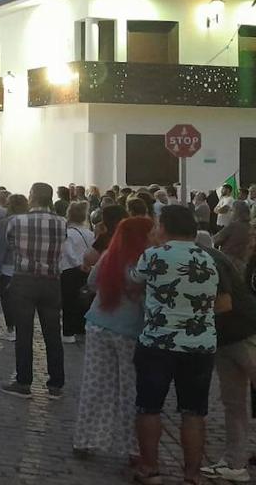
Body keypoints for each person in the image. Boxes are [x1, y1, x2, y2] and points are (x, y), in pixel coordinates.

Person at [131, 205, 222, 485]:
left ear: (165, 227)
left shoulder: (155, 255)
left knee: (149, 407)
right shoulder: (208, 258)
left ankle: (150, 468)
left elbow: (134, 284)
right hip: (200, 345)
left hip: (158, 341)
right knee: (194, 412)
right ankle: (192, 474)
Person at [71, 216, 152, 461]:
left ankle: (85, 440)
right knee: (131, 391)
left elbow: (92, 282)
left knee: (95, 385)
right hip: (130, 330)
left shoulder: (109, 255)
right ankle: (133, 448)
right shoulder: (145, 262)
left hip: (98, 323)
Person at [197, 234, 256, 481]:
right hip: (229, 337)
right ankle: (234, 462)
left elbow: (223, 304)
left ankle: (235, 462)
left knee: (234, 404)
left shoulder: (208, 259)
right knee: (233, 403)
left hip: (242, 334)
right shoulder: (219, 258)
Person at [1, 182, 67, 398]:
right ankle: (56, 384)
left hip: (25, 278)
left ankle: (24, 382)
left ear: (32, 196)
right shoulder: (61, 223)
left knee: (24, 331)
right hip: (51, 280)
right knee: (52, 332)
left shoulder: (17, 221)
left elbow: (11, 244)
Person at [0, 194, 29, 342]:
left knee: (8, 300)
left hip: (7, 266)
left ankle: (11, 328)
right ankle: (23, 328)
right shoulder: (31, 223)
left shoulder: (4, 224)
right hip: (28, 267)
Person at [60, 200, 95, 344]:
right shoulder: (90, 233)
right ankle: (82, 327)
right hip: (87, 269)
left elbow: (67, 252)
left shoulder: (68, 233)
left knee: (68, 301)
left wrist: (78, 264)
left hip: (69, 270)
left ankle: (68, 332)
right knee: (84, 300)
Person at [214, 200, 251, 273]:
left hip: (228, 261)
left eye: (232, 211)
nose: (231, 213)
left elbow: (216, 241)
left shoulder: (233, 226)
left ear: (237, 212)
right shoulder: (250, 227)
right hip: (243, 262)